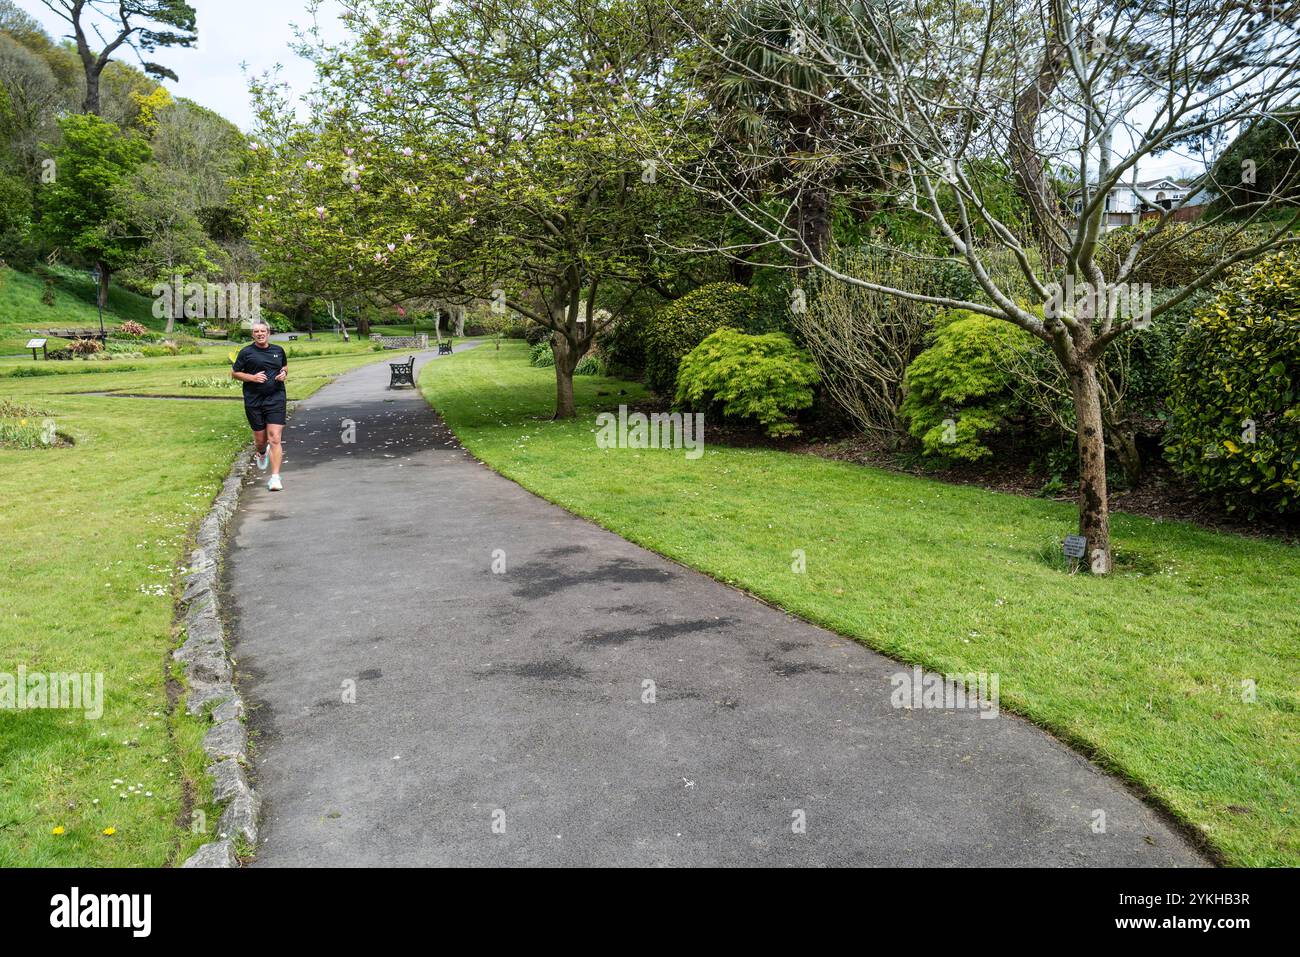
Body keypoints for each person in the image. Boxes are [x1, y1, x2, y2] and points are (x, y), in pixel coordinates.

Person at [231, 320, 288, 491]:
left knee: (275, 438)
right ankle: (262, 452)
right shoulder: (246, 352)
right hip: (254, 400)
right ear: (252, 334)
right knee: (261, 440)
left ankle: (275, 478)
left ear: (268, 333)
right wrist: (253, 378)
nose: (260, 333)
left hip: (276, 397)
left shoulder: (278, 350)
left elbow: (284, 366)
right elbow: (234, 373)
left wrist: (284, 373)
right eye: (256, 331)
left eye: (263, 331)